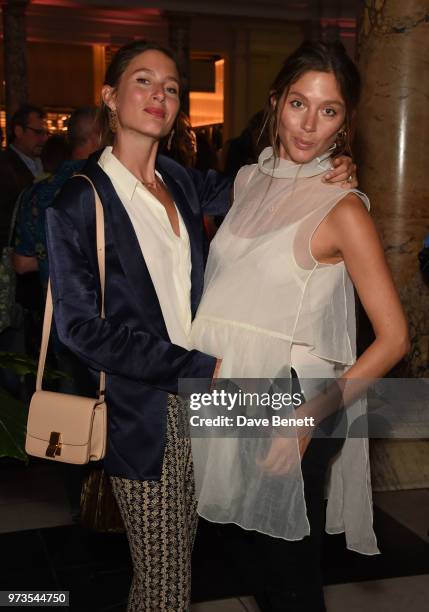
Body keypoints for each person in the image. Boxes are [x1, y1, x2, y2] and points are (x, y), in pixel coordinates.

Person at [45, 40, 356, 611]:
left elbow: (270, 186)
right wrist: (191, 367)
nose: (158, 95)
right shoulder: (77, 202)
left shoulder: (182, 182)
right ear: (111, 96)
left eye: (170, 87)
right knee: (164, 582)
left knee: (239, 545)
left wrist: (328, 163)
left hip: (219, 398)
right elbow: (80, 330)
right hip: (150, 408)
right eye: (143, 82)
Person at [189, 41, 409, 612]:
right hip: (228, 387)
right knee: (250, 555)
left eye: (329, 110)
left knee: (288, 570)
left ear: (345, 122)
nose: (309, 124)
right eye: (298, 104)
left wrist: (307, 419)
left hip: (291, 397)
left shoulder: (343, 208)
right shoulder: (247, 181)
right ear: (274, 103)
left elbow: (394, 338)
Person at [0, 104, 48, 247]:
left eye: (45, 133)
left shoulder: (46, 162)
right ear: (19, 131)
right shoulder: (4, 166)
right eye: (38, 133)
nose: (43, 139)